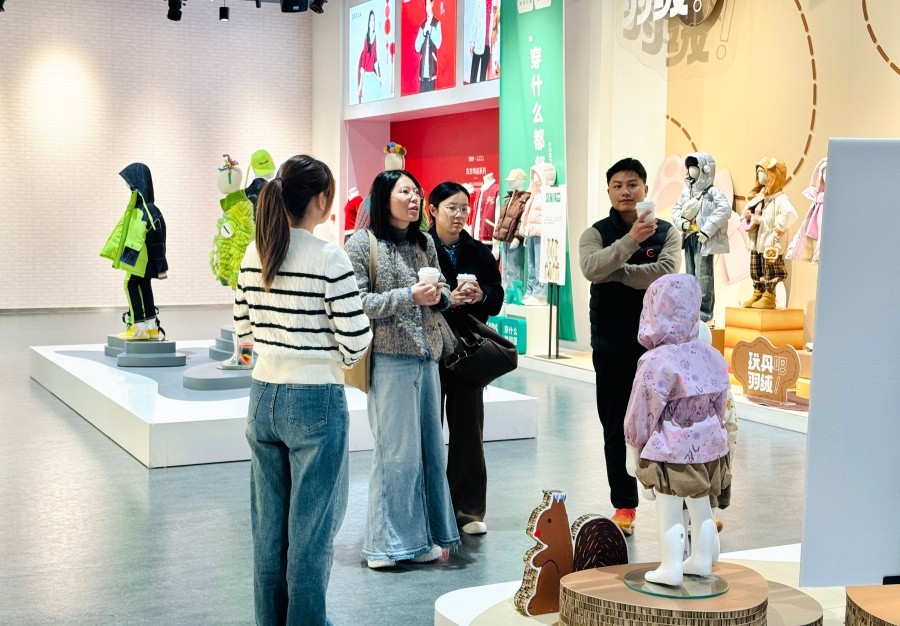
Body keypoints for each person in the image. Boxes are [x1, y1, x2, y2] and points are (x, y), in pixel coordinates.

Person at [233, 155, 372, 625]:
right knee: (311, 534)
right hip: (315, 399)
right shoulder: (329, 257)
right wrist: (336, 359)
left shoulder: (254, 253)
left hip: (262, 396)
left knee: (267, 531)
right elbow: (355, 339)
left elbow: (243, 332)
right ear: (319, 199)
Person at [344, 170, 461, 569]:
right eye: (405, 191)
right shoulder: (362, 244)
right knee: (396, 456)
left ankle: (420, 539)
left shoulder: (423, 242)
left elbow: (442, 294)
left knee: (429, 453)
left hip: (428, 357)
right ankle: (384, 546)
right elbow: (357, 303)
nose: (414, 199)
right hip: (389, 360)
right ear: (384, 197)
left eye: (416, 192)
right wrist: (408, 295)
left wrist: (441, 296)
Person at [578, 157, 681, 536]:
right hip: (611, 343)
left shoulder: (667, 231)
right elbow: (591, 268)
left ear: (645, 189)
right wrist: (631, 241)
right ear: (609, 191)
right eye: (618, 185)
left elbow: (666, 271)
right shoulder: (595, 232)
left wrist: (617, 272)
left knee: (671, 423)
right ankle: (624, 505)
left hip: (660, 345)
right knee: (615, 425)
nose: (626, 191)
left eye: (632, 184)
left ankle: (681, 501)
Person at [623, 274, 731, 586]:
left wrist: (633, 447)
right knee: (702, 507)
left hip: (672, 449)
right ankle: (702, 560)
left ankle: (671, 566)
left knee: (669, 508)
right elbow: (721, 404)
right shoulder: (710, 354)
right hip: (711, 446)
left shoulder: (656, 360)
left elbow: (642, 409)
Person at [427, 182, 504, 535]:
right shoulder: (420, 247)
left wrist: (480, 295)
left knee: (469, 429)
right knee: (427, 429)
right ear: (433, 210)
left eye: (463, 208)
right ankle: (428, 509)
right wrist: (446, 298)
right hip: (428, 347)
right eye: (451, 208)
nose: (458, 215)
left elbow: (496, 297)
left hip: (467, 349)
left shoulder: (479, 252)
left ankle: (468, 510)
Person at [670, 152, 731, 324]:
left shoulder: (713, 192)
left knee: (704, 277)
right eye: (689, 167)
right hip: (690, 237)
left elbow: (724, 210)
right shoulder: (686, 192)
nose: (691, 171)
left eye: (695, 167)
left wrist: (707, 230)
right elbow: (675, 210)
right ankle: (691, 311)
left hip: (704, 239)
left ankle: (705, 314)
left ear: (705, 169)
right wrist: (682, 223)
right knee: (690, 275)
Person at [114, 163, 168, 340]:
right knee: (144, 286)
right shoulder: (145, 208)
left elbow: (157, 238)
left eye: (130, 182)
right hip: (139, 258)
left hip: (140, 260)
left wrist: (161, 266)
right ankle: (151, 328)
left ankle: (138, 328)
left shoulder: (146, 210)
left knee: (130, 284)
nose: (128, 185)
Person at [741, 157, 798, 309]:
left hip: (771, 243)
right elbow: (745, 214)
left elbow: (790, 214)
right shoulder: (759, 198)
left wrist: (777, 230)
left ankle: (769, 295)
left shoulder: (780, 199)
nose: (760, 176)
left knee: (771, 268)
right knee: (756, 266)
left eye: (763, 172)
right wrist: (749, 218)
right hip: (758, 241)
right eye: (758, 172)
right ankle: (758, 291)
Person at [414, 0, 442, 93]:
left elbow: (438, 43)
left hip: (432, 71)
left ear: (432, 4)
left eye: (429, 4)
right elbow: (417, 47)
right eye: (426, 4)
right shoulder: (422, 25)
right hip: (422, 73)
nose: (428, 7)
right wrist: (423, 32)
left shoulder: (436, 23)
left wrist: (431, 30)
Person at [357, 10, 382, 103]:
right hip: (366, 75)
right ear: (368, 23)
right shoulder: (366, 38)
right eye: (371, 20)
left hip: (372, 74)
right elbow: (363, 60)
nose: (372, 22)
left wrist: (378, 77)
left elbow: (375, 58)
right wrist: (360, 85)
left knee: (378, 90)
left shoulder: (375, 37)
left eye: (374, 20)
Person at [468, 0, 491, 83]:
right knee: (473, 74)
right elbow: (474, 21)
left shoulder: (495, 2)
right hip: (478, 41)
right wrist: (472, 43)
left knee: (483, 75)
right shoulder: (479, 2)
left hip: (489, 44)